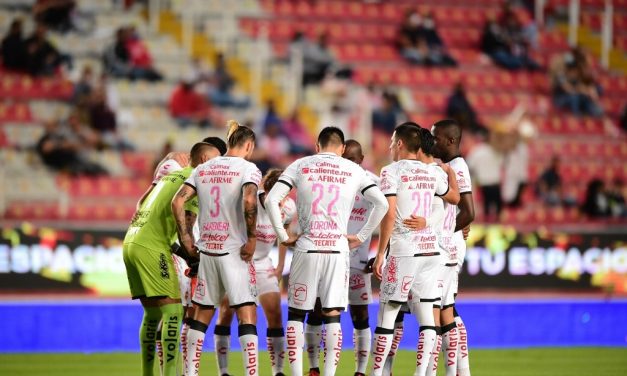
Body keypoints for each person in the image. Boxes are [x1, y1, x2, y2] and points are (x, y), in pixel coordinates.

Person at [264, 127, 389, 376]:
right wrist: (362, 235)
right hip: (336, 250)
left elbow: (270, 200)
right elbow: (382, 203)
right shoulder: (354, 170)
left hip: (307, 248)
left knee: (297, 314)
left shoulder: (301, 164)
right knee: (332, 315)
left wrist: (283, 236)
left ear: (317, 145)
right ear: (342, 149)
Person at [172, 121, 262, 375]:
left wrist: (187, 239)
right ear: (248, 146)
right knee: (246, 314)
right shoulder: (248, 168)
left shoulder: (204, 168)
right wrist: (252, 237)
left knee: (201, 315)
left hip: (208, 251)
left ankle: (190, 373)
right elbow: (248, 198)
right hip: (235, 252)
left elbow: (178, 202)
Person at [122, 141, 219, 376]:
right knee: (173, 313)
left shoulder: (171, 176)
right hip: (152, 247)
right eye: (216, 161)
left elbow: (141, 204)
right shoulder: (196, 179)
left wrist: (182, 252)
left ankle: (148, 373)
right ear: (205, 161)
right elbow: (185, 224)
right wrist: (192, 252)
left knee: (153, 314)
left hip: (131, 241)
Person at [370, 123, 459, 376]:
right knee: (426, 319)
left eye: (391, 142)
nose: (389, 147)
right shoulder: (432, 172)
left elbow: (389, 215)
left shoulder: (390, 171)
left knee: (387, 315)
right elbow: (453, 198)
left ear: (399, 144)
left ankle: (378, 374)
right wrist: (450, 174)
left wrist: (380, 254)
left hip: (404, 251)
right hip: (430, 252)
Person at [303, 139, 380, 376]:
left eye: (354, 161)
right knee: (317, 310)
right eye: (346, 160)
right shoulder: (332, 179)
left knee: (361, 315)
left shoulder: (373, 183)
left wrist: (379, 254)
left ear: (362, 160)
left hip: (358, 263)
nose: (350, 164)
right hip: (328, 256)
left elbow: (389, 214)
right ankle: (314, 368)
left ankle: (359, 371)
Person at [212, 168, 296, 376]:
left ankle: (277, 371)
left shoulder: (289, 208)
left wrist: (279, 266)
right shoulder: (248, 203)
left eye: (285, 196)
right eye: (278, 196)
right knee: (226, 314)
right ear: (266, 191)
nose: (282, 202)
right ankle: (223, 371)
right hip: (238, 262)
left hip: (263, 263)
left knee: (275, 314)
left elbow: (283, 235)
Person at [431, 119, 476, 376]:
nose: (432, 141)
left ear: (450, 141)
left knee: (441, 311)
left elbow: (469, 212)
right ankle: (462, 371)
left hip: (449, 247)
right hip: (450, 243)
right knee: (449, 310)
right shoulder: (449, 166)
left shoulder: (457, 167)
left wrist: (443, 231)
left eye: (436, 137)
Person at [36, 119, 107, 176]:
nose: (55, 128)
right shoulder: (44, 139)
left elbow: (74, 146)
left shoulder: (60, 137)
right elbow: (46, 148)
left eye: (55, 126)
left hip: (73, 160)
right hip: (60, 165)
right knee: (81, 170)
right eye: (52, 126)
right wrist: (61, 145)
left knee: (98, 168)